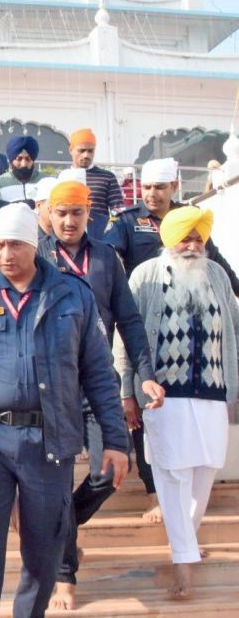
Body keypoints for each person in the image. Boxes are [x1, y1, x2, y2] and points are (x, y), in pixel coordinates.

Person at [0, 202, 129, 618]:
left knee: (42, 553)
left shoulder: (73, 294)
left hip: (48, 440)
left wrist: (116, 440)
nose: (5, 254)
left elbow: (100, 374)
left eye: (15, 244)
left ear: (34, 245)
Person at [37, 181, 164, 611]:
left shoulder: (107, 257)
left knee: (110, 470)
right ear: (49, 216)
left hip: (98, 381)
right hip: (49, 383)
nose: (69, 221)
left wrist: (144, 375)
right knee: (54, 487)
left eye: (77, 213)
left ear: (89, 214)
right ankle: (64, 574)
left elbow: (128, 319)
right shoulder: (37, 258)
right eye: (61, 213)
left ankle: (57, 529)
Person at [113, 206, 239, 601]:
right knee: (172, 473)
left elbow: (233, 329)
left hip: (212, 392)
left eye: (197, 238)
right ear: (169, 240)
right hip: (162, 396)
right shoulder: (145, 275)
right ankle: (183, 561)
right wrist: (126, 390)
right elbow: (126, 335)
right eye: (185, 238)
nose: (191, 245)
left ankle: (185, 540)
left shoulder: (217, 275)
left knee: (206, 469)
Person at [105, 156, 239, 522]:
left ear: (173, 189)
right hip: (145, 329)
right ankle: (156, 497)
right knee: (155, 443)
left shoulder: (190, 222)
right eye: (146, 187)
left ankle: (183, 528)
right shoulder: (129, 221)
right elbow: (109, 255)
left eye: (159, 187)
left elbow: (224, 277)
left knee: (201, 456)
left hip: (203, 374)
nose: (151, 194)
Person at [68, 128, 124, 217]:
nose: (86, 155)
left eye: (90, 151)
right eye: (81, 151)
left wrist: (111, 228)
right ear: (71, 150)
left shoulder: (107, 177)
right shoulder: (64, 178)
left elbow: (118, 209)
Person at [0, 135, 43, 203]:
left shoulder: (45, 181)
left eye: (28, 159)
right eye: (19, 159)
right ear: (11, 161)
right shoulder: (0, 183)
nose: (24, 164)